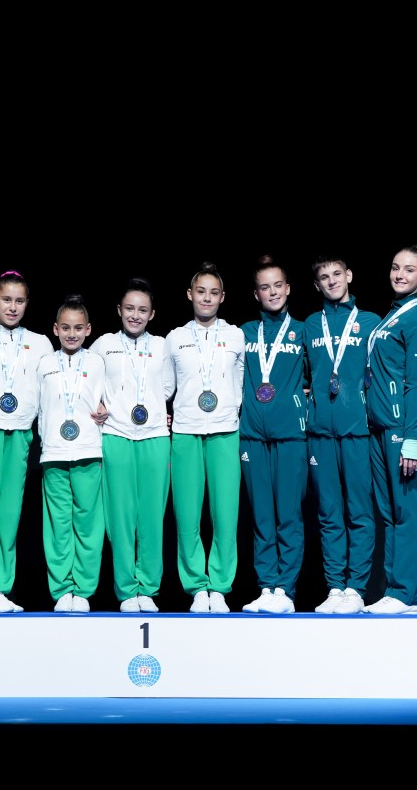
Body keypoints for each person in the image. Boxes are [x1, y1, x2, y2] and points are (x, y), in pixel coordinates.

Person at [0, 270, 53, 613]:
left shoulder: (41, 343)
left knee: (9, 513)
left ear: (27, 303)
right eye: (6, 300)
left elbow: (52, 390)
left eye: (19, 301)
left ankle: (1, 587)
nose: (13, 307)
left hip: (20, 433)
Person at [90, 277, 173, 613]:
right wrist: (99, 403)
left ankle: (148, 589)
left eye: (142, 310)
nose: (135, 315)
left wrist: (152, 407)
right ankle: (126, 590)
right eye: (129, 308)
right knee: (120, 518)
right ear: (119, 310)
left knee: (151, 517)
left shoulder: (163, 345)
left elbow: (168, 387)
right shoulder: (103, 344)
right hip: (116, 436)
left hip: (154, 437)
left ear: (152, 314)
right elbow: (89, 382)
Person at [165, 261, 245, 613]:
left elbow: (240, 381)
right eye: (201, 292)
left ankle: (221, 586)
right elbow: (165, 386)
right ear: (190, 294)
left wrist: (230, 408)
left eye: (214, 293)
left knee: (225, 515)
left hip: (225, 431)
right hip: (185, 431)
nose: (207, 298)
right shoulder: (175, 338)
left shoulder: (236, 335)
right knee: (187, 515)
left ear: (222, 297)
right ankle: (197, 586)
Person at [304, 256, 381, 614]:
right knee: (328, 514)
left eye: (337, 274)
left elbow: (383, 370)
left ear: (349, 275)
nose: (332, 281)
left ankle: (356, 588)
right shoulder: (309, 325)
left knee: (359, 511)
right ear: (317, 285)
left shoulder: (370, 322)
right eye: (324, 277)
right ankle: (335, 587)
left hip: (358, 431)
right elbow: (300, 375)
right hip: (320, 432)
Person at [363, 243, 417, 614]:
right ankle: (394, 591)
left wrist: (411, 440)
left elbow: (414, 384)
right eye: (395, 267)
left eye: (409, 269)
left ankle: (407, 594)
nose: (400, 274)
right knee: (389, 513)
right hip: (379, 427)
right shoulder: (389, 317)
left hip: (403, 427)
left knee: (408, 513)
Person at [240, 255, 309, 614]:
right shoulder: (243, 333)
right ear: (256, 294)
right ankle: (267, 587)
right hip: (252, 436)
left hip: (291, 436)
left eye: (278, 285)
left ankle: (286, 589)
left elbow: (327, 371)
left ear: (288, 288)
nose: (272, 292)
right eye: (265, 287)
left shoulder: (304, 331)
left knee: (288, 515)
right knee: (262, 517)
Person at [36, 294, 106, 613]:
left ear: (88, 329)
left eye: (78, 328)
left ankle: (84, 589)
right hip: (53, 453)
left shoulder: (97, 362)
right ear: (55, 329)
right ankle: (63, 589)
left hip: (89, 451)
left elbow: (113, 398)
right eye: (65, 328)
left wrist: (106, 408)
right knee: (58, 526)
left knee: (88, 524)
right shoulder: (44, 364)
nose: (72, 334)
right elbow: (35, 405)